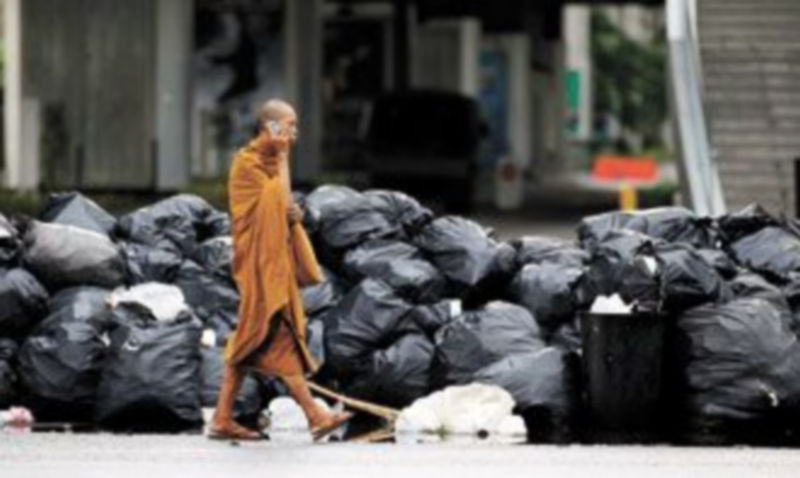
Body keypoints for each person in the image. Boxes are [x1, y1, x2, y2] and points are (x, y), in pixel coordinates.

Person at [208, 99, 352, 441]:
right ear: (270, 127)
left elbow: (282, 208)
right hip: (259, 265)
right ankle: (314, 414)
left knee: (249, 342)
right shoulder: (247, 165)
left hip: (271, 262)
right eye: (289, 125)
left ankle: (222, 418)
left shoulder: (268, 161)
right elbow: (276, 201)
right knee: (279, 334)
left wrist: (291, 215)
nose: (294, 133)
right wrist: (285, 160)